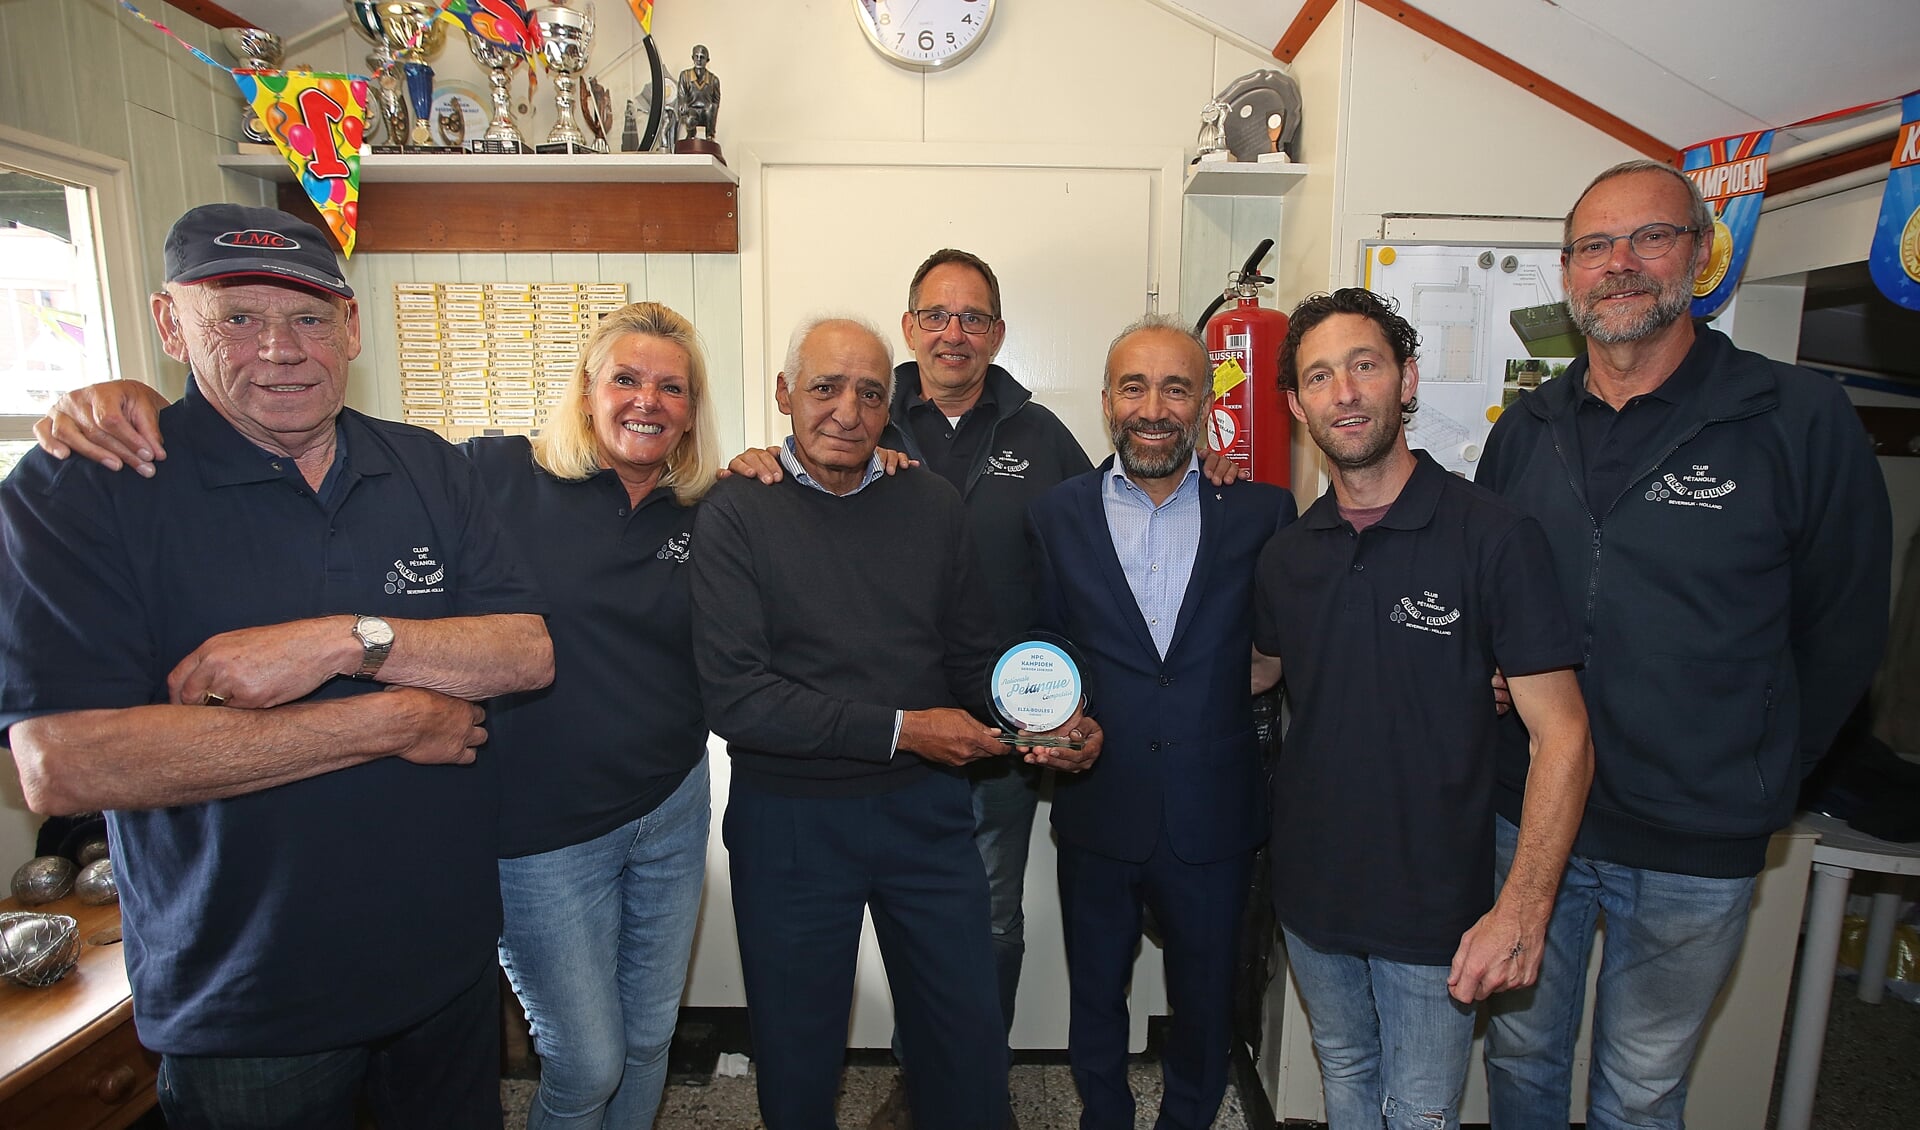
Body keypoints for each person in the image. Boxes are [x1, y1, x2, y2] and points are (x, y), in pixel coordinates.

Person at [33, 301, 728, 1130]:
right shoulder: (491, 472)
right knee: (587, 1061)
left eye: (671, 388)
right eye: (625, 378)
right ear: (586, 390)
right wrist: (122, 399)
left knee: (649, 1039)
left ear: (692, 411)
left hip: (671, 808)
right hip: (544, 831)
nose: (647, 401)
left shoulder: (709, 505)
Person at [0, 202, 555, 1129]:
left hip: (441, 973)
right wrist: (391, 719)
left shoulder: (424, 466)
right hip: (248, 1001)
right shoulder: (83, 489)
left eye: (307, 317)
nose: (281, 349)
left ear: (353, 327)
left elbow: (524, 651)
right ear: (171, 324)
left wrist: (343, 639)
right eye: (239, 319)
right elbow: (67, 765)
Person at [1476, 159, 1892, 1129]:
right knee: (1525, 1056)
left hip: (1696, 841)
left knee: (1643, 1082)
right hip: (1534, 818)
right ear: (1567, 273)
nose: (1620, 264)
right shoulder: (1526, 430)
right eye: (1594, 246)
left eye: (1649, 237)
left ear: (1700, 257)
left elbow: (1844, 627)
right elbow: (1491, 591)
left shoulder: (1795, 420)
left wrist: (1760, 775)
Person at [690, 315, 1101, 1130]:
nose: (847, 410)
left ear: (891, 409)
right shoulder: (736, 510)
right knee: (799, 1053)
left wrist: (1044, 719)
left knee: (966, 1045)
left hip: (926, 816)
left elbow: (970, 656)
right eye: (824, 387)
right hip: (792, 823)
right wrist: (905, 729)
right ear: (784, 395)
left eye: (869, 393)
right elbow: (738, 696)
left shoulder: (930, 501)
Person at [1253, 288, 1593, 1130]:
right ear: (1296, 406)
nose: (1345, 392)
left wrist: (1521, 905)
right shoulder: (1289, 555)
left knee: (1422, 1110)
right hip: (1312, 889)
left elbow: (1567, 735)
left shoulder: (1492, 536)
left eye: (1364, 365)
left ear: (1406, 380)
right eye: (1320, 377)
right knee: (1346, 1078)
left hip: (1435, 895)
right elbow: (1253, 674)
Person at [1025, 314, 1294, 1130]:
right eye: (1134, 386)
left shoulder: (1262, 513)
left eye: (1175, 386)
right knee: (1095, 993)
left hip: (1215, 812)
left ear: (1203, 400)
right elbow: (1040, 648)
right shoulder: (1055, 515)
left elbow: (1286, 644)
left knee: (1207, 1000)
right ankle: (1101, 1116)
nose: (1153, 407)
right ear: (1107, 401)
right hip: (1099, 802)